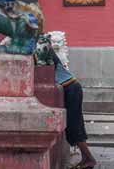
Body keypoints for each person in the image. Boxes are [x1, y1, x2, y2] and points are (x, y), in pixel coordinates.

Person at [37, 36, 96, 169]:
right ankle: (86, 158)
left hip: (70, 88)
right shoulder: (40, 47)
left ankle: (89, 158)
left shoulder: (40, 48)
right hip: (71, 87)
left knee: (73, 125)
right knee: (75, 125)